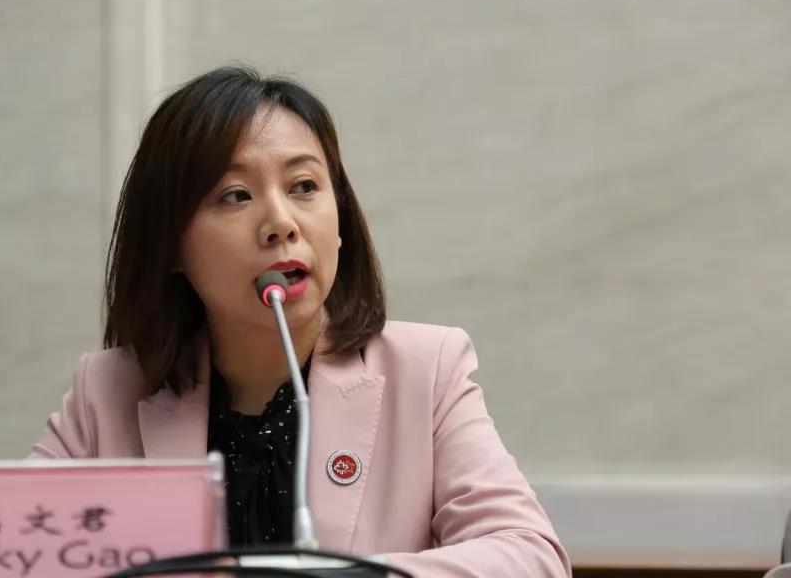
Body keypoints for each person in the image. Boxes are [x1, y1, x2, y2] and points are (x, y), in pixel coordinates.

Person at [30, 66, 571, 577]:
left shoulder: (426, 370)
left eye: (304, 187)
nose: (281, 222)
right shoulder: (106, 392)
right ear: (171, 244)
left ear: (340, 220)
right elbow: (7, 553)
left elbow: (530, 556)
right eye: (236, 195)